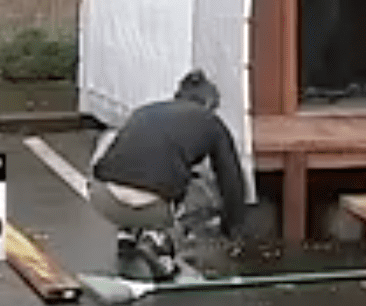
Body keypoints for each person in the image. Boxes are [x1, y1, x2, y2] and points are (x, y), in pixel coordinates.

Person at [88, 70, 247, 281]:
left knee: (135, 158)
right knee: (199, 186)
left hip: (103, 198)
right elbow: (231, 182)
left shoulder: (145, 111)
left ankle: (127, 234)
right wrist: (232, 228)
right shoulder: (211, 123)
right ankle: (158, 241)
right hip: (153, 209)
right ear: (211, 104)